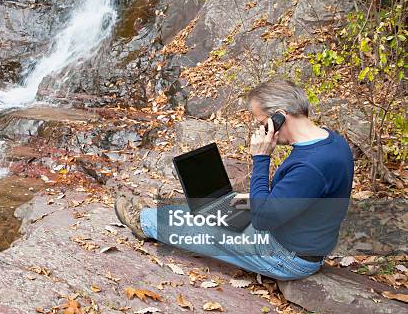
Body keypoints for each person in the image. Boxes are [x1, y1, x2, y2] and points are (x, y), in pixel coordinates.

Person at [114, 78, 354, 280]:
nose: (260, 130)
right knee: (218, 209)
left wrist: (261, 158)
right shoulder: (332, 142)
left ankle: (143, 222)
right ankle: (167, 214)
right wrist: (251, 201)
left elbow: (263, 219)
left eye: (262, 123)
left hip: (286, 255)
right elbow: (302, 198)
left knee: (195, 228)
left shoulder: (311, 165)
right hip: (301, 239)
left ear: (279, 117)